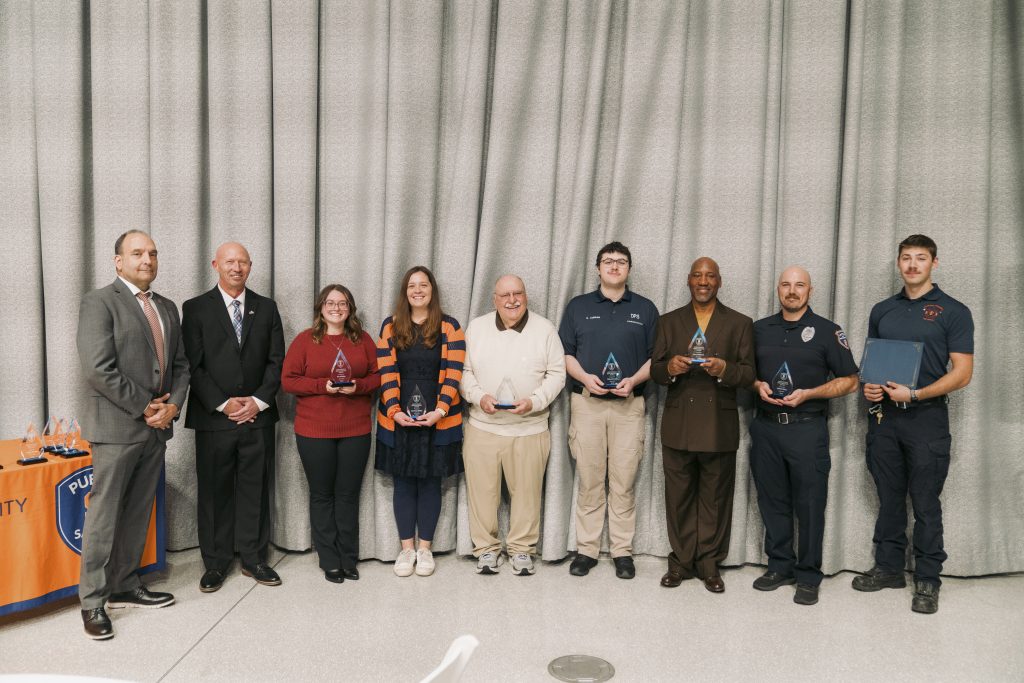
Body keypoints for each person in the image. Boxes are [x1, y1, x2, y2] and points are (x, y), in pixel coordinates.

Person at [75, 230, 190, 640]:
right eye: (137, 253)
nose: (147, 259)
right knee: (104, 517)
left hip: (156, 429)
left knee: (140, 510)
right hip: (116, 427)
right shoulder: (99, 302)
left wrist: (173, 405)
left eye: (153, 253)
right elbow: (99, 368)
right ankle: (92, 601)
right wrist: (146, 407)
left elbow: (181, 365)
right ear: (117, 261)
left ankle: (125, 582)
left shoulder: (167, 307)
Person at [852, 234, 974, 614]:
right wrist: (869, 387)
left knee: (924, 501)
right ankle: (888, 567)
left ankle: (927, 578)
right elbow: (872, 363)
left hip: (926, 419)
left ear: (933, 264)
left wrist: (917, 394)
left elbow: (964, 372)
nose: (912, 265)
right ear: (898, 263)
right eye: (906, 258)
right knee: (889, 498)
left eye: (921, 258)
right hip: (885, 420)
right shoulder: (883, 309)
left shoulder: (954, 311)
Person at [749, 266, 858, 606]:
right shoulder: (757, 329)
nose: (792, 291)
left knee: (810, 505)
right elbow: (744, 372)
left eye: (799, 285)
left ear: (810, 291)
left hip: (806, 429)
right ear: (777, 289)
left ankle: (808, 575)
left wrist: (809, 393)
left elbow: (851, 380)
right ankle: (779, 565)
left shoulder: (828, 331)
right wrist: (755, 384)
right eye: (786, 284)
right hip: (766, 427)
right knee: (772, 502)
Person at [182, 242, 285, 592]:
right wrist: (224, 404)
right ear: (216, 265)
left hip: (258, 417)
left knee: (255, 489)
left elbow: (277, 362)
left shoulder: (267, 308)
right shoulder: (195, 309)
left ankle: (255, 558)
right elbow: (192, 366)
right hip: (214, 418)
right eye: (230, 261)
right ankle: (216, 562)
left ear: (251, 266)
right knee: (214, 491)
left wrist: (257, 402)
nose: (236, 267)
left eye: (242, 262)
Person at [650, 257, 754, 593]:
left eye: (710, 276)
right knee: (678, 497)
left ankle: (710, 564)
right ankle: (680, 562)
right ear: (688, 280)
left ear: (719, 282)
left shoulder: (740, 323)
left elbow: (749, 374)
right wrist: (671, 368)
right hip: (679, 424)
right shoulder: (669, 321)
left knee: (715, 499)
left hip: (718, 426)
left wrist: (724, 368)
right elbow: (655, 370)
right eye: (697, 275)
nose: (704, 281)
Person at [558, 242, 659, 580]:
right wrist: (585, 377)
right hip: (586, 404)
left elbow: (654, 359)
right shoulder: (578, 307)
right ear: (597, 268)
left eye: (621, 261)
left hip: (629, 407)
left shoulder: (645, 309)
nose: (614, 266)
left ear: (629, 269)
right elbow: (566, 354)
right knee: (589, 480)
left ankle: (622, 552)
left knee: (623, 481)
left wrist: (634, 380)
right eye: (608, 261)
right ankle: (586, 550)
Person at [460, 275, 566, 575]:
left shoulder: (545, 329)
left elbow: (558, 374)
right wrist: (478, 397)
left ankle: (521, 551)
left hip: (530, 428)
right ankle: (486, 550)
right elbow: (463, 372)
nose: (512, 300)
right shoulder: (477, 328)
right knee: (482, 494)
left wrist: (535, 400)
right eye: (504, 295)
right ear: (494, 299)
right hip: (483, 427)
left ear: (526, 296)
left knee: (528, 495)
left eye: (517, 293)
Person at [282, 285, 381, 583]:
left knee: (348, 496)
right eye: (330, 302)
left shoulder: (362, 340)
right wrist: (321, 386)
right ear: (320, 308)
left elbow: (379, 375)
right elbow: (288, 380)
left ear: (350, 308)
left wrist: (359, 387)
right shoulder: (304, 340)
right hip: (314, 431)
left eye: (342, 303)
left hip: (356, 429)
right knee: (322, 495)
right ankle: (329, 559)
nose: (336, 308)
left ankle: (349, 558)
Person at [375, 266, 465, 577]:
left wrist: (440, 410)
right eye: (411, 285)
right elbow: (385, 370)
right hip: (398, 418)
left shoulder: (450, 326)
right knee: (402, 483)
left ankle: (425, 549)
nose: (417, 290)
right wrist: (394, 411)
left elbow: (454, 371)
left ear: (432, 290)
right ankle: (406, 550)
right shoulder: (389, 326)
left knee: (430, 483)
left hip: (439, 418)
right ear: (405, 292)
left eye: (423, 285)